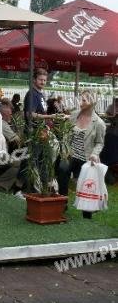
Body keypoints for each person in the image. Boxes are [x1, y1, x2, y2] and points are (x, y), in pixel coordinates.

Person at [57, 90, 106, 219]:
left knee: (86, 185)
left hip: (86, 158)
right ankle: (62, 203)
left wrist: (94, 154)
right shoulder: (74, 115)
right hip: (70, 154)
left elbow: (99, 143)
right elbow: (66, 134)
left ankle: (87, 213)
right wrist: (65, 149)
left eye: (84, 100)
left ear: (92, 102)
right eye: (81, 99)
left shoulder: (99, 123)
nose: (80, 102)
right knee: (62, 169)